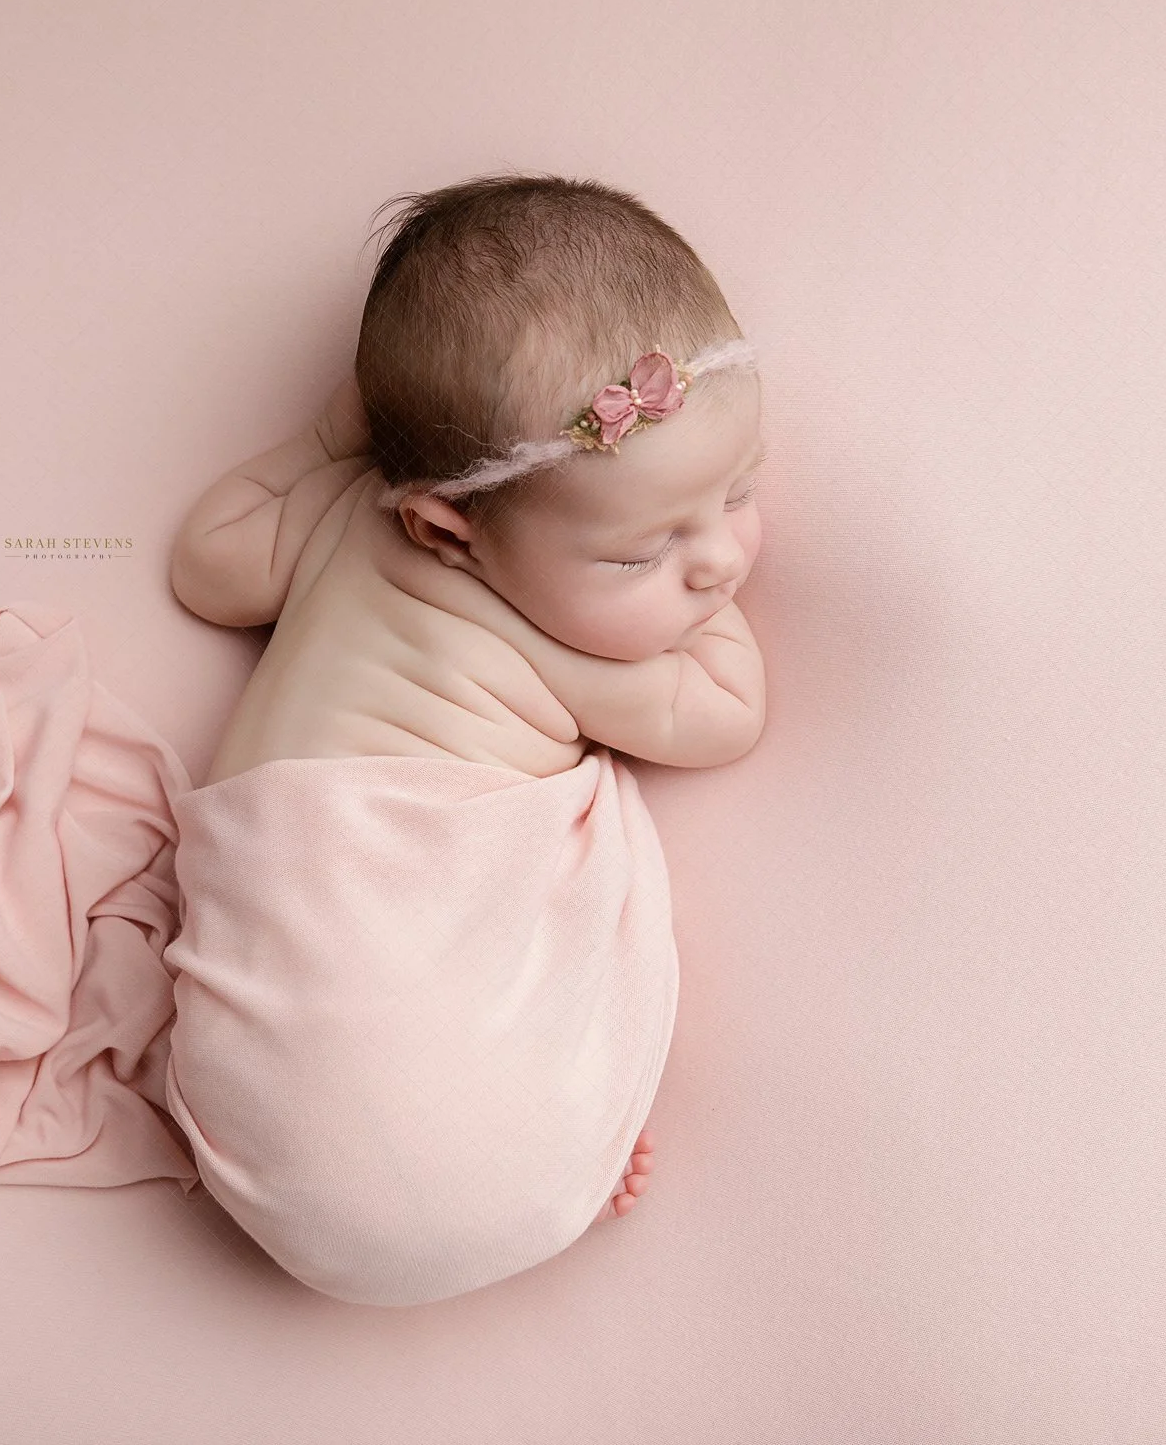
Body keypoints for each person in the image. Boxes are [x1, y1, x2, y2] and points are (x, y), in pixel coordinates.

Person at [163, 172, 768, 1304]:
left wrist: (327, 440)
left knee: (353, 1045)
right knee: (462, 1018)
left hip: (255, 1052)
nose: (719, 561)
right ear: (446, 529)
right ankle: (547, 1145)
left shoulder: (334, 514)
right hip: (362, 863)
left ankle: (475, 1159)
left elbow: (206, 561)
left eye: (738, 490)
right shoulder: (566, 645)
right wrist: (697, 617)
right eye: (643, 553)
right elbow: (726, 711)